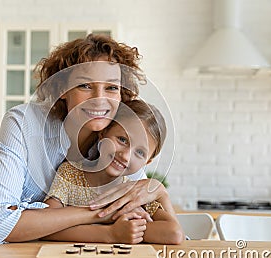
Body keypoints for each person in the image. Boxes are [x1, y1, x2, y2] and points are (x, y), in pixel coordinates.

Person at [0, 34, 172, 245]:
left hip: (43, 240)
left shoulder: (117, 138)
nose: (99, 100)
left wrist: (158, 190)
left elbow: (146, 205)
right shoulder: (23, 123)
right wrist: (98, 213)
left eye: (111, 88)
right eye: (85, 86)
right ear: (62, 88)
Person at [43, 100, 184, 244]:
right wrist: (111, 233)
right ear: (103, 133)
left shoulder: (135, 193)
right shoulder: (71, 174)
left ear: (147, 162)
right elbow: (44, 225)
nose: (126, 156)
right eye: (122, 140)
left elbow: (174, 234)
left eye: (140, 152)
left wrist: (162, 194)